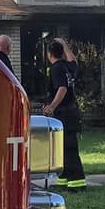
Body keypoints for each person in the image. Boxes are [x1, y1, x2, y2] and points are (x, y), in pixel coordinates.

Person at [41, 39, 86, 189]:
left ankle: (77, 181)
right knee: (63, 148)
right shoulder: (67, 67)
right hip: (70, 112)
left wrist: (52, 106)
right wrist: (65, 45)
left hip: (64, 113)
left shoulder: (56, 68)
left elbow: (62, 89)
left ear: (49, 54)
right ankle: (64, 179)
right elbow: (74, 61)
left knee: (69, 148)